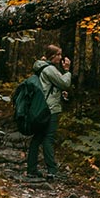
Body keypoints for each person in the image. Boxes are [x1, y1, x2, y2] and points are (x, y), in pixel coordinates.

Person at [27, 44, 71, 181]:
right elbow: (65, 83)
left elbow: (49, 86)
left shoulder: (40, 67)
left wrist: (59, 93)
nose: (60, 57)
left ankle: (32, 170)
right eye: (58, 54)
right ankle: (52, 171)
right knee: (48, 138)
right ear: (52, 55)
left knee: (37, 138)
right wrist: (67, 70)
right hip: (50, 109)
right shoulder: (50, 68)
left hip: (41, 108)